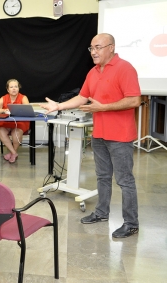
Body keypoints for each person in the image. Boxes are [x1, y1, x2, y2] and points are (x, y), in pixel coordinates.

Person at [40, 33, 141, 238]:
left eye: (98, 47)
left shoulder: (125, 68)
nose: (93, 52)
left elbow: (134, 100)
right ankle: (102, 213)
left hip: (120, 136)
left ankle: (131, 223)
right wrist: (59, 106)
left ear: (111, 47)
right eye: (91, 48)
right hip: (99, 134)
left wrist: (103, 108)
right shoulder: (93, 72)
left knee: (124, 180)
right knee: (103, 177)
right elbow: (82, 97)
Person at [0, 79, 30, 163]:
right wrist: (3, 110)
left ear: (18, 88)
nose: (14, 89)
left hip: (20, 122)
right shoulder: (4, 98)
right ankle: (14, 153)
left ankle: (12, 153)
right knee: (0, 130)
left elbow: (27, 110)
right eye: (11, 87)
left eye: (16, 87)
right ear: (8, 89)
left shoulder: (23, 97)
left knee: (15, 133)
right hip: (6, 121)